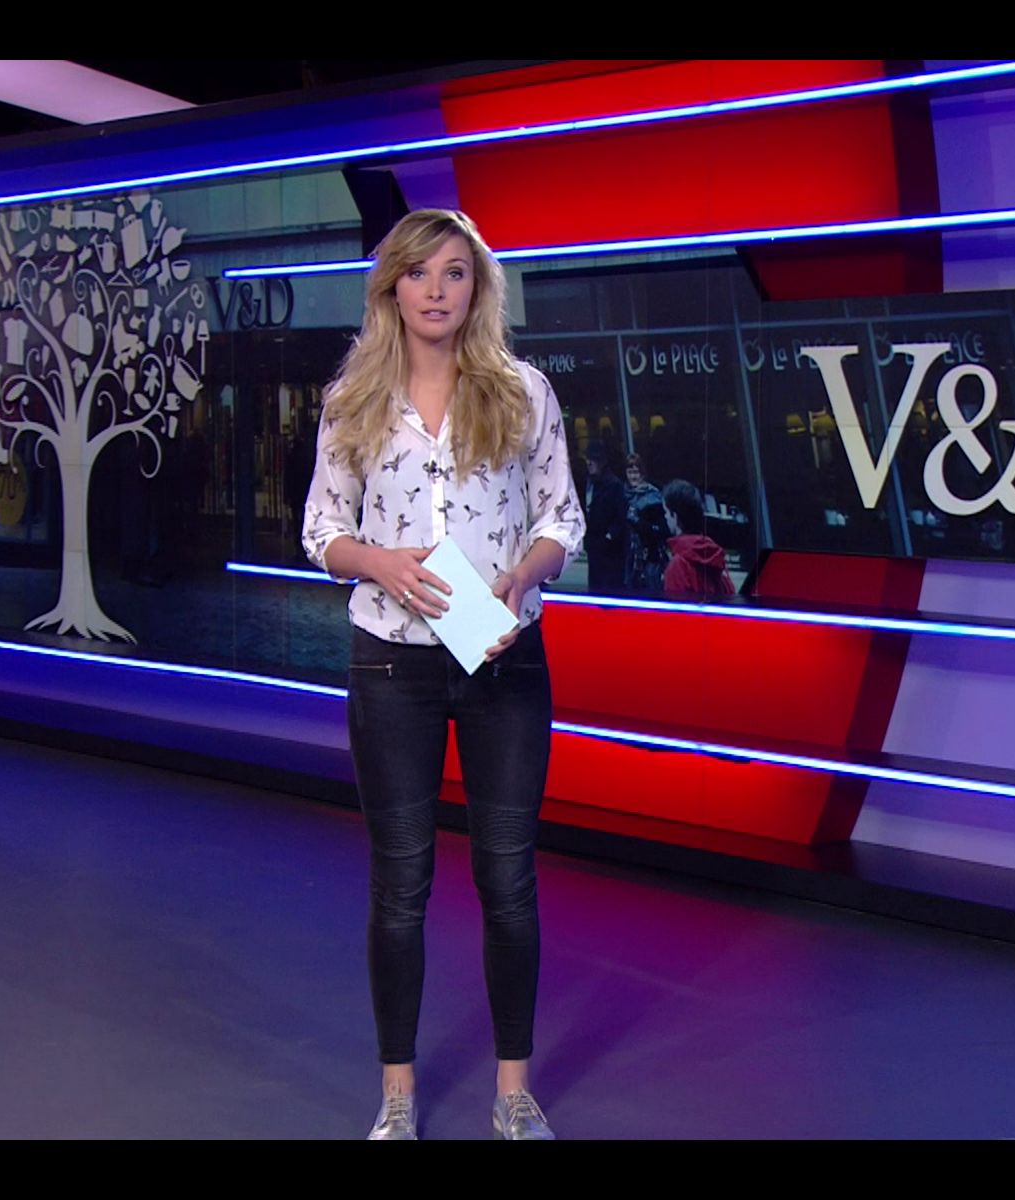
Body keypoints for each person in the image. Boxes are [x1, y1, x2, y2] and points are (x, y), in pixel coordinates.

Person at [300, 209, 585, 1141]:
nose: (435, 289)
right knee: (401, 885)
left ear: (477, 287)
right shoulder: (353, 400)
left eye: (454, 272)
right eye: (418, 272)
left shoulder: (523, 392)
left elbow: (562, 520)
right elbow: (320, 530)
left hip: (504, 664)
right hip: (392, 663)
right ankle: (397, 1097)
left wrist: (522, 576)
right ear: (392, 287)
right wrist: (377, 562)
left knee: (508, 878)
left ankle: (513, 1094)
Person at [661, 479, 736, 601]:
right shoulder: (715, 556)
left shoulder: (677, 566)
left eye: (666, 512)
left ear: (675, 516)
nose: (665, 517)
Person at [581, 440, 628, 594]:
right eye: (587, 459)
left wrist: (609, 537)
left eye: (592, 459)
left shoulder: (614, 485)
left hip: (610, 551)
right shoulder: (589, 483)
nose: (589, 463)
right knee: (595, 588)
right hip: (594, 546)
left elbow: (620, 517)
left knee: (609, 589)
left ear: (601, 462)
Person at [623, 453, 670, 594]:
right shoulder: (622, 494)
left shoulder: (653, 497)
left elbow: (661, 531)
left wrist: (637, 521)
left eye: (636, 472)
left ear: (642, 474)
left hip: (649, 558)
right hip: (628, 557)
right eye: (630, 472)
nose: (633, 477)